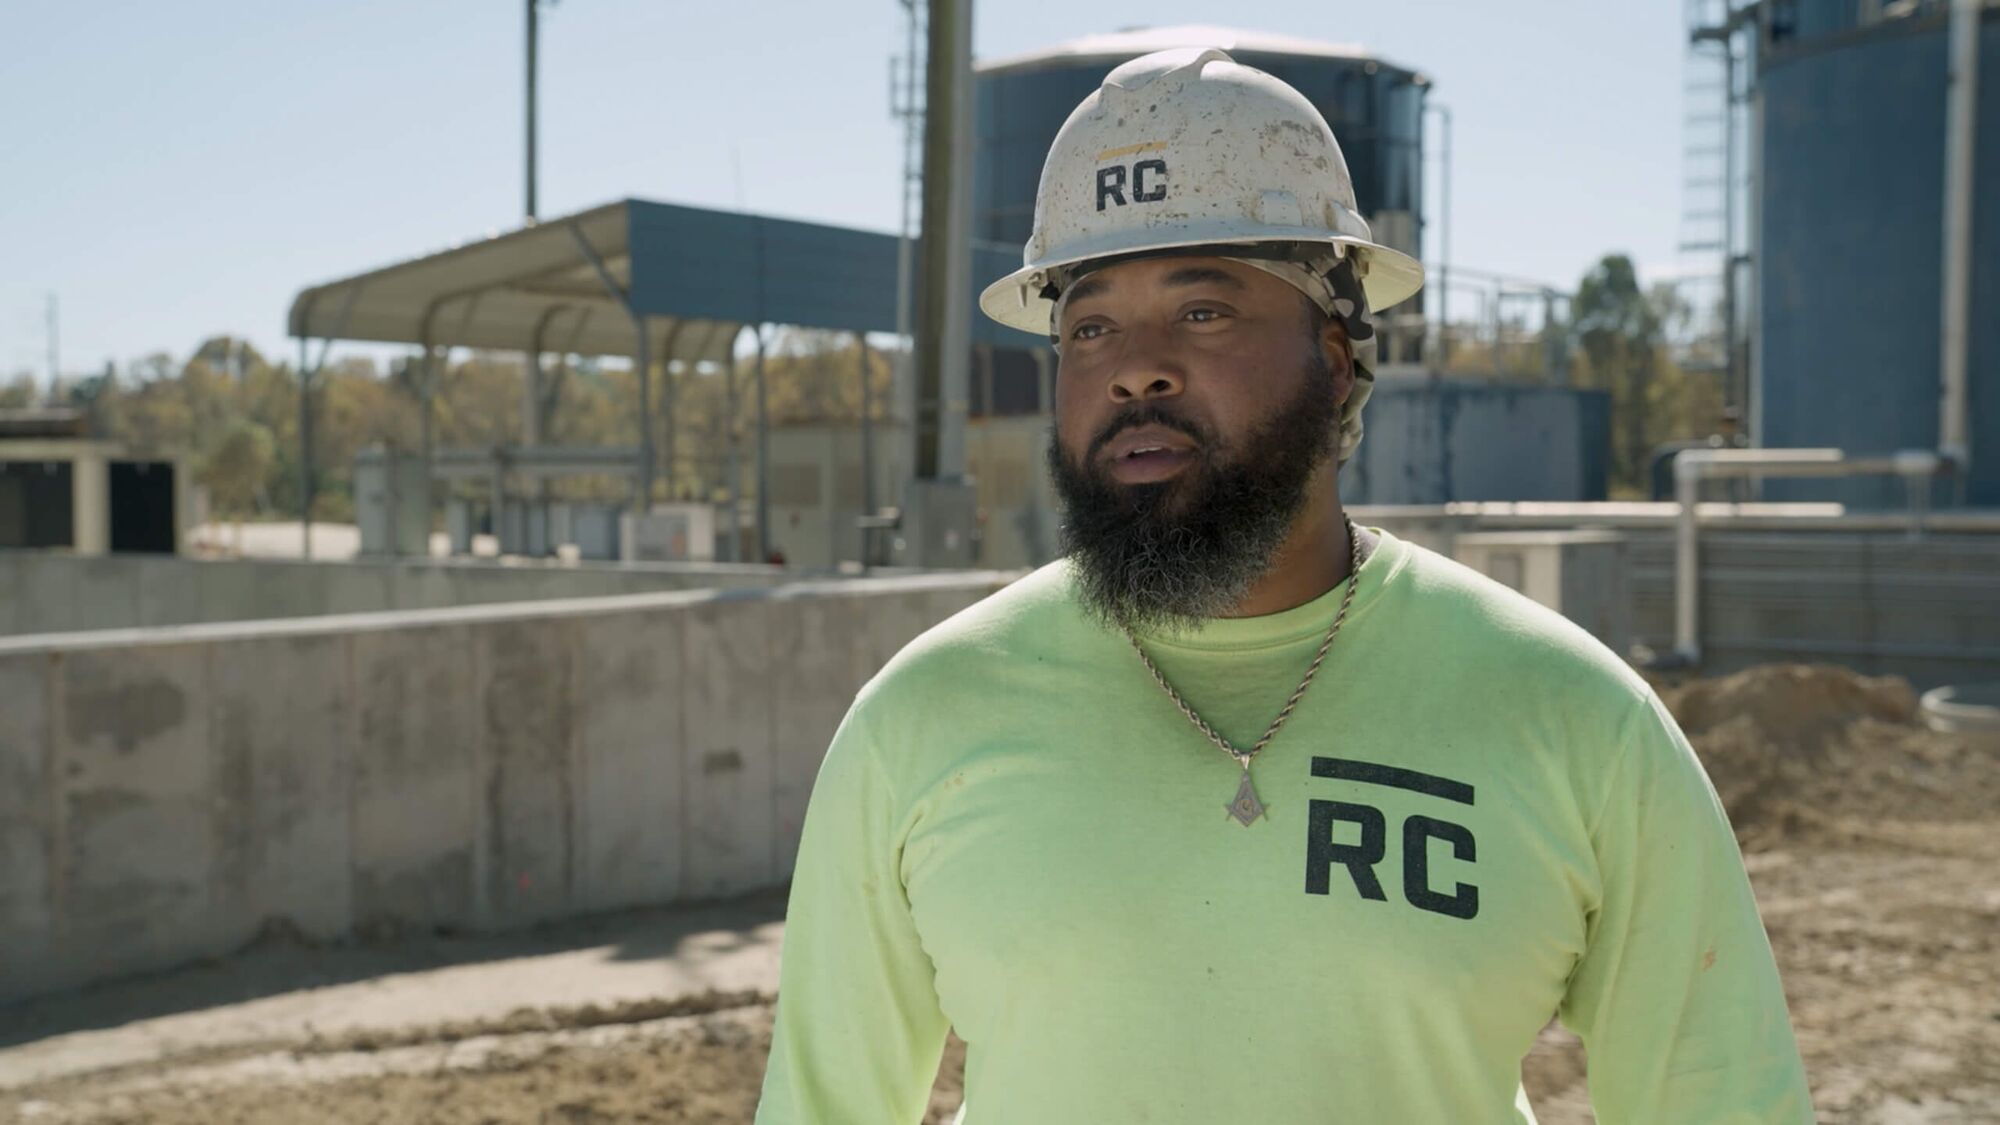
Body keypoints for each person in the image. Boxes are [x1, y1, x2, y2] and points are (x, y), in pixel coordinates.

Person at [757, 47, 1812, 1124]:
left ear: (1338, 355)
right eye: (1088, 326)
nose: (1135, 367)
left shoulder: (1576, 720)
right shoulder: (919, 721)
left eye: (1202, 310)